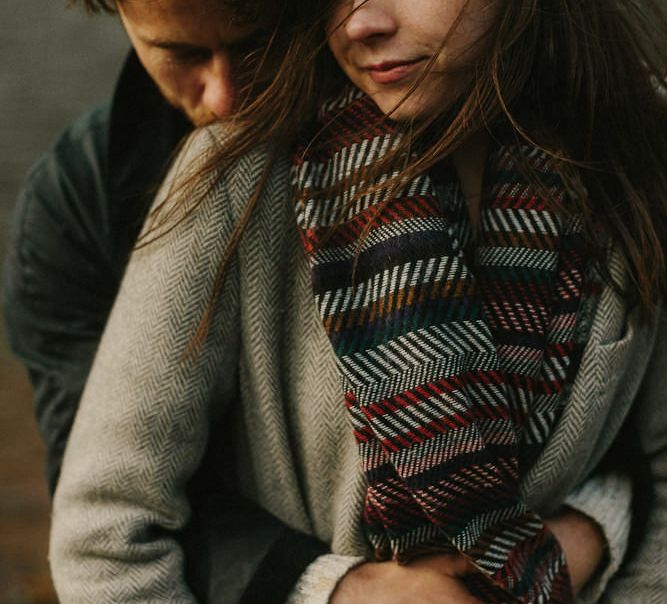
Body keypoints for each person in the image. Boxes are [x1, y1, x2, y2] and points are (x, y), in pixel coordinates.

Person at [49, 0, 667, 602]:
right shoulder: (239, 173)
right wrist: (324, 589)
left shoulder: (635, 156)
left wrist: (594, 537)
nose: (361, 22)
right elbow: (106, 536)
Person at [3, 0, 335, 601]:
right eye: (182, 54)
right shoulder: (76, 207)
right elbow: (107, 501)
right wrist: (331, 587)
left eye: (257, 43)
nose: (227, 98)